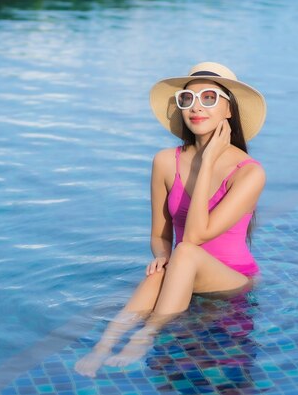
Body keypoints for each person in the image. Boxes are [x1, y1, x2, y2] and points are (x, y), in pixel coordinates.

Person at [74, 62, 267, 378]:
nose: (195, 108)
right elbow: (161, 235)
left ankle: (146, 334)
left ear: (229, 110)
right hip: (182, 266)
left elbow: (194, 238)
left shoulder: (249, 172)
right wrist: (162, 257)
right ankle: (102, 347)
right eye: (187, 99)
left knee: (186, 252)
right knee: (161, 269)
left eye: (208, 98)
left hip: (232, 280)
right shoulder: (165, 161)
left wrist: (206, 162)